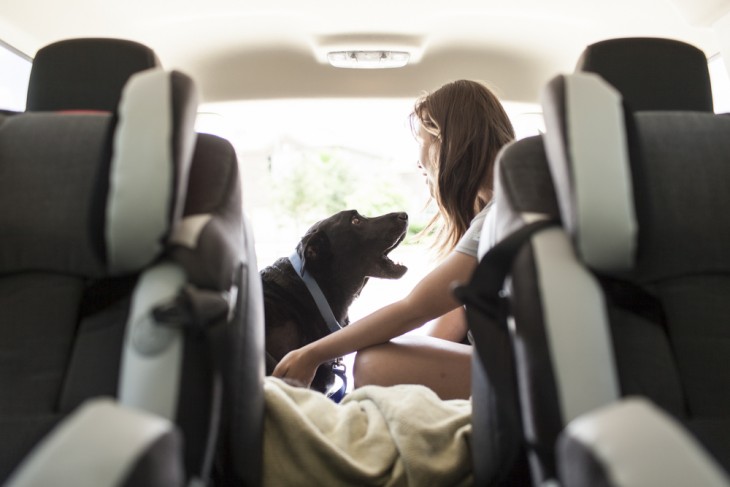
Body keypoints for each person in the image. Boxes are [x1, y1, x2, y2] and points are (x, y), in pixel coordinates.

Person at [273, 79, 515, 399]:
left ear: (448, 142)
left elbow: (414, 308)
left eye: (424, 140)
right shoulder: (506, 209)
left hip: (529, 379)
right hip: (520, 366)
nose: (418, 161)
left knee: (375, 362)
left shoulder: (502, 214)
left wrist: (310, 354)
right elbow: (448, 319)